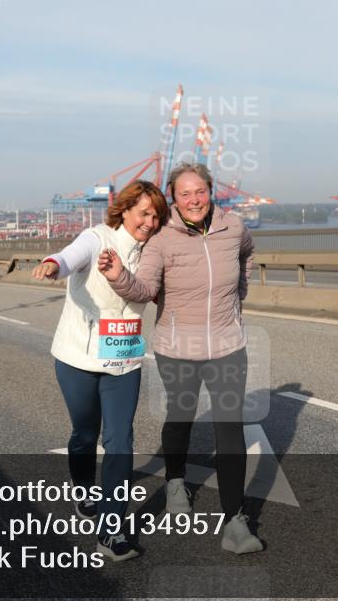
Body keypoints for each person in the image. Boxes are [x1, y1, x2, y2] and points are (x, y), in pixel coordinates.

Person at [98, 162, 263, 555]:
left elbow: (247, 254)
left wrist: (239, 292)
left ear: (211, 191)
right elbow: (144, 289)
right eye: (185, 193)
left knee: (230, 428)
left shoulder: (233, 227)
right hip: (177, 348)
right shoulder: (161, 238)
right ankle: (175, 480)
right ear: (174, 198)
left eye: (200, 191)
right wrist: (119, 276)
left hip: (227, 344)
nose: (194, 199)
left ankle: (235, 522)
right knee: (180, 416)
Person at [33, 180, 169, 561]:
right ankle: (82, 488)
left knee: (120, 441)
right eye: (144, 213)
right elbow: (71, 255)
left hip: (124, 360)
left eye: (156, 216)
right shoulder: (97, 238)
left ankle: (111, 532)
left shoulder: (154, 251)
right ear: (124, 210)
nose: (150, 222)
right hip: (78, 356)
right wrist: (54, 264)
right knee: (84, 433)